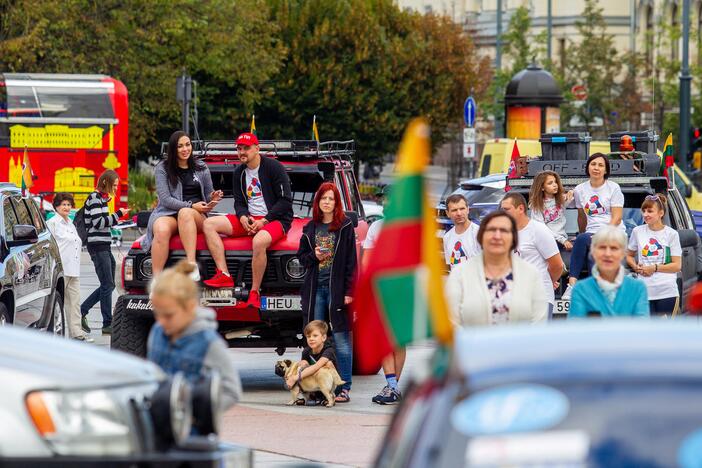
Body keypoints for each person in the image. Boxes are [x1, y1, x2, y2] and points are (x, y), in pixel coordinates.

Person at [203, 132, 293, 310]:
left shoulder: (274, 167)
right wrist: (243, 216)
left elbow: (285, 201)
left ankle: (254, 292)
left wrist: (265, 221)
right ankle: (224, 274)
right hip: (249, 219)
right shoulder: (239, 172)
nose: (242, 152)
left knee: (259, 241)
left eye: (246, 148)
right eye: (239, 148)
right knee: (208, 224)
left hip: (276, 220)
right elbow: (239, 202)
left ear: (257, 149)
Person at [147, 260, 242, 412]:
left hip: (191, 430)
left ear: (190, 306)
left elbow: (231, 391)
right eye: (158, 314)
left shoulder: (208, 342)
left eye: (169, 315)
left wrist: (196, 413)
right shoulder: (158, 332)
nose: (162, 321)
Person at [297, 182, 356, 403]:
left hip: (338, 290)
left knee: (341, 338)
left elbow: (352, 261)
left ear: (336, 202)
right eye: (323, 198)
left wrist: (350, 291)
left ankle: (344, 387)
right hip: (315, 290)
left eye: (331, 199)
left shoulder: (345, 226)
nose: (327, 202)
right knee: (314, 339)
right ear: (318, 202)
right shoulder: (310, 228)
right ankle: (314, 388)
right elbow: (301, 258)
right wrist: (315, 256)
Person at [142, 130, 223, 280]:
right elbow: (165, 199)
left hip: (196, 217)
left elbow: (208, 195)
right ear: (173, 148)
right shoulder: (163, 168)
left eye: (187, 145)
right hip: (168, 213)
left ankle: (191, 266)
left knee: (185, 213)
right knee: (160, 228)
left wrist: (214, 197)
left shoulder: (201, 167)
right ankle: (157, 282)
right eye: (180, 146)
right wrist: (191, 205)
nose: (185, 149)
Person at [445, 210, 547, 326]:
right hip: (472, 344)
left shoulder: (531, 275)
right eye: (491, 230)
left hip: (521, 344)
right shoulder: (460, 274)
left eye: (504, 231)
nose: (497, 236)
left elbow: (539, 322)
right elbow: (451, 321)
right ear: (481, 235)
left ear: (513, 238)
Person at [565, 153, 625, 298]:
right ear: (588, 167)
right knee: (586, 243)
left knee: (593, 246)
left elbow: (617, 217)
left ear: (606, 170)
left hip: (613, 232)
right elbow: (581, 217)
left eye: (600, 165)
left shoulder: (613, 187)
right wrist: (582, 235)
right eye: (593, 164)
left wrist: (602, 235)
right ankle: (573, 287)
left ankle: (595, 288)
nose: (596, 168)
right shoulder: (580, 189)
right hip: (591, 233)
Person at [80, 169, 128, 335]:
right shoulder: (94, 198)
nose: (116, 188)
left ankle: (84, 310)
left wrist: (117, 219)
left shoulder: (102, 199)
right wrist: (118, 215)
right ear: (106, 183)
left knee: (108, 284)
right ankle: (106, 323)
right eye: (114, 185)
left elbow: (102, 223)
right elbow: (99, 222)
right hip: (98, 246)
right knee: (107, 284)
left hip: (103, 245)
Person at [501, 192, 564, 318]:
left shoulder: (538, 229)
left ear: (521, 208)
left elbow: (557, 265)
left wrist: (547, 280)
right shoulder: (504, 232)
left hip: (539, 298)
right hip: (514, 299)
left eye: (506, 209)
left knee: (539, 338)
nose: (503, 213)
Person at [569, 225, 649, 318]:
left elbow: (641, 327)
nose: (607, 254)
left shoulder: (637, 288)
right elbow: (576, 328)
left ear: (623, 253)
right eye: (602, 247)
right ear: (593, 252)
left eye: (614, 248)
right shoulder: (580, 290)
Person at [47, 193, 92, 342]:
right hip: (60, 270)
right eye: (63, 204)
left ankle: (77, 334)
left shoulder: (70, 224)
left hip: (74, 270)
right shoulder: (52, 223)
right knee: (55, 302)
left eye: (68, 204)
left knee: (74, 303)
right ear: (57, 206)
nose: (66, 207)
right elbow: (48, 247)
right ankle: (53, 333)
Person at [626, 194, 682, 316]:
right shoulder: (637, 231)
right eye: (644, 211)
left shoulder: (671, 234)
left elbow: (677, 266)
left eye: (650, 211)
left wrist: (654, 268)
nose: (645, 214)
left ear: (661, 213)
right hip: (644, 291)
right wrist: (635, 267)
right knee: (645, 332)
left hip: (667, 291)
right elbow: (629, 255)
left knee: (664, 332)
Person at [285, 320, 339, 405]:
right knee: (302, 364)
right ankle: (310, 395)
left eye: (315, 336)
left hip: (330, 384)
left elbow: (316, 367)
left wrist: (295, 378)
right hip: (315, 383)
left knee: (327, 364)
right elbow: (305, 369)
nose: (311, 339)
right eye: (308, 336)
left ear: (323, 338)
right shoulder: (306, 351)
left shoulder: (329, 350)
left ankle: (329, 396)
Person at [528, 170, 573, 250]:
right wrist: (563, 241)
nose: (555, 185)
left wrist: (572, 191)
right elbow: (541, 228)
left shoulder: (561, 199)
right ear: (542, 187)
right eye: (550, 183)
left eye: (555, 182)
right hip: (546, 240)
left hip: (560, 240)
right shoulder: (537, 206)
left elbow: (579, 196)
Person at [442, 194, 481, 269]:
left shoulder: (479, 233)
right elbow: (451, 265)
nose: (459, 213)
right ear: (447, 213)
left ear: (468, 209)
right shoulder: (447, 237)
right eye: (454, 210)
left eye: (462, 209)